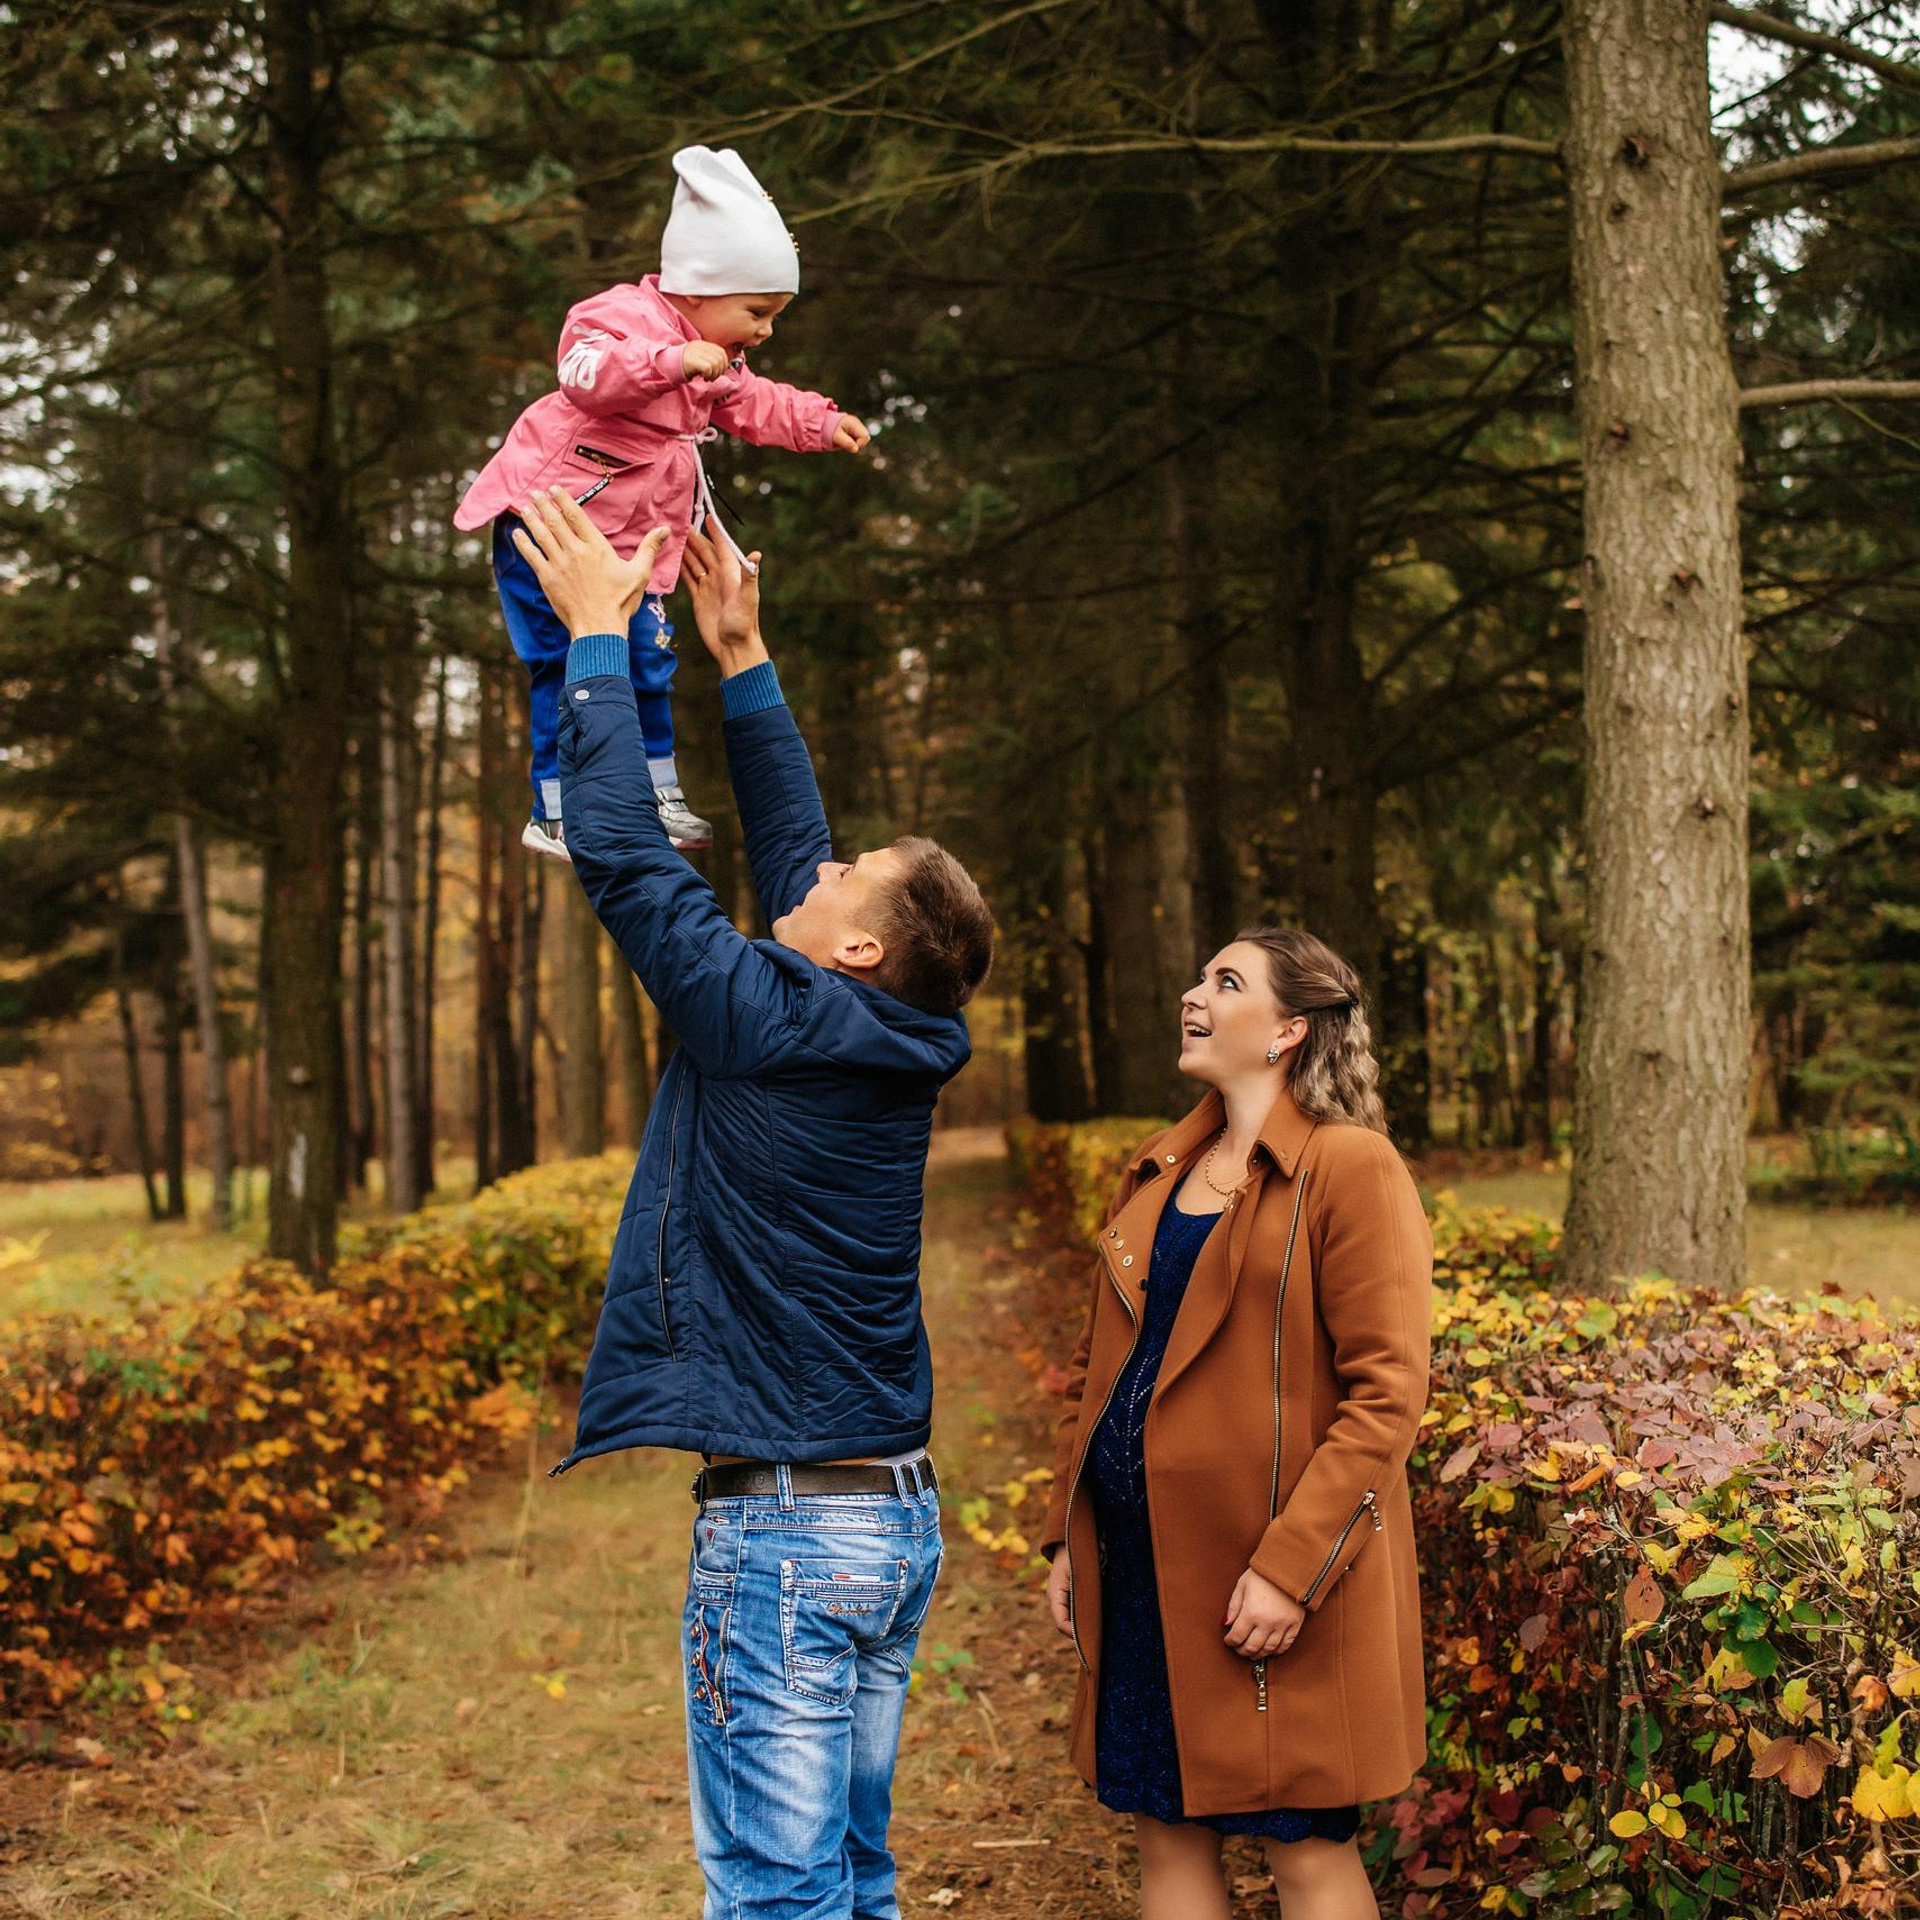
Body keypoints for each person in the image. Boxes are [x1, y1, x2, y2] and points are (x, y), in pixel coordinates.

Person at [508, 485, 994, 1920]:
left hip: (787, 1541)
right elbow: (798, 871)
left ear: (853, 949)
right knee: (848, 1878)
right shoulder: (884, 1025)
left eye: (854, 878)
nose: (825, 865)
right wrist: (742, 660)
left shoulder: (762, 1010)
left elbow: (625, 861)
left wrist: (598, 643)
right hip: (887, 1520)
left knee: (781, 1899)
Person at [1038, 929, 1433, 1920]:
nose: (1193, 995)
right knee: (1165, 1837)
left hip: (1276, 1575)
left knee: (1304, 1855)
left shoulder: (1352, 1168)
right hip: (1142, 1566)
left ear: (1289, 1029)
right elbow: (1102, 1375)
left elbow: (1388, 1393)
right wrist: (1068, 1534)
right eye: (1198, 977)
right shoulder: (1162, 1170)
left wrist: (1290, 1567)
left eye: (1226, 982)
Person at [457, 146, 871, 862]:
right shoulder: (620, 318)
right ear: (704, 288)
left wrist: (821, 423)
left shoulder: (721, 357)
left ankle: (655, 789)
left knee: (650, 661)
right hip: (552, 524)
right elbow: (584, 373)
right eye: (759, 311)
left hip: (634, 547)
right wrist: (669, 362)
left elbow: (756, 402)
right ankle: (553, 807)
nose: (767, 330)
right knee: (564, 662)